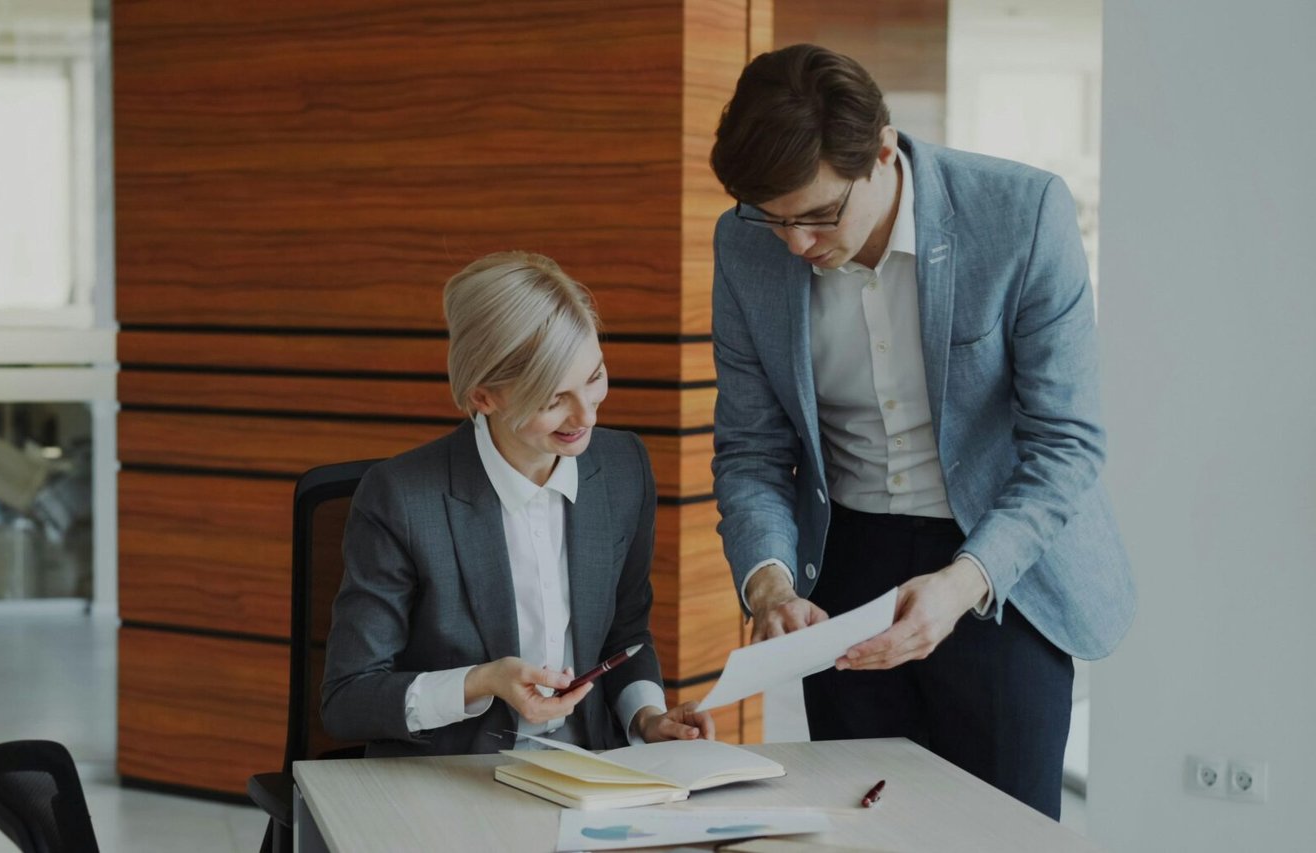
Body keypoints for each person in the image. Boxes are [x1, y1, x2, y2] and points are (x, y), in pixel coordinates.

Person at [705, 44, 1136, 818]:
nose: (796, 243)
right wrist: (768, 580)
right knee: (858, 820)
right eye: (774, 219)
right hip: (843, 573)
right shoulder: (743, 245)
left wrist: (965, 582)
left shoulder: (1019, 214)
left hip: (1000, 568)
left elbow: (1065, 443)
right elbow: (753, 448)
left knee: (1001, 829)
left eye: (818, 214)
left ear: (881, 151)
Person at [322, 251, 715, 757]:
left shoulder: (622, 468)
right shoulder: (401, 497)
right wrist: (482, 682)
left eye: (593, 377)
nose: (585, 417)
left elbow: (626, 635)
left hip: (591, 768)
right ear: (485, 397)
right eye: (553, 400)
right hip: (456, 776)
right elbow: (347, 700)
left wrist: (648, 717)